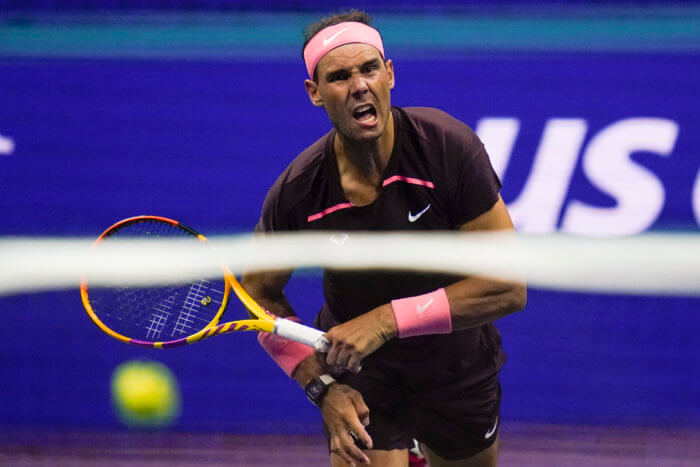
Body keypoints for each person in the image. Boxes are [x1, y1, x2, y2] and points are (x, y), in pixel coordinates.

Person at [241, 10, 526, 467]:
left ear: (389, 74)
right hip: (363, 375)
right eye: (338, 76)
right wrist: (322, 388)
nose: (358, 85)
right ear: (315, 93)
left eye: (369, 69)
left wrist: (385, 321)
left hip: (457, 365)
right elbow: (256, 294)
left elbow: (508, 288)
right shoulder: (299, 191)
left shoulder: (447, 149)